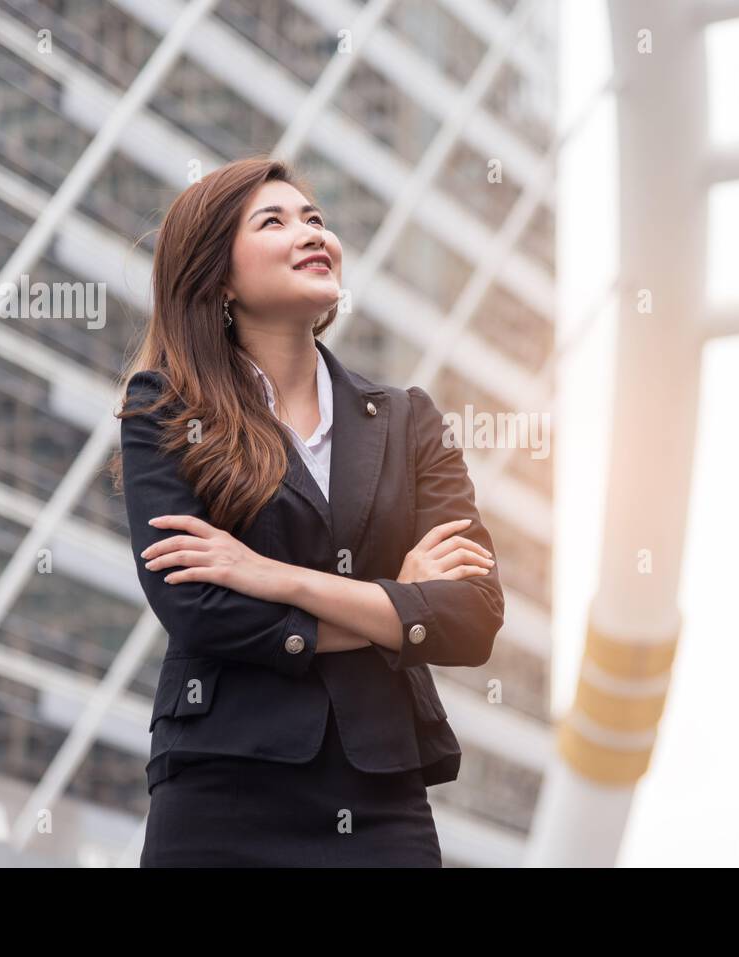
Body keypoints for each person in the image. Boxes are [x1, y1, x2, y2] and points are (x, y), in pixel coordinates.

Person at [108, 156, 504, 866]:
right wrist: (394, 607)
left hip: (381, 798)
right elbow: (200, 608)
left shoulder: (408, 420)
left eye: (315, 219)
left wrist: (270, 575)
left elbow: (471, 615)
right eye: (275, 221)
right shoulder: (163, 408)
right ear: (219, 276)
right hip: (221, 789)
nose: (311, 232)